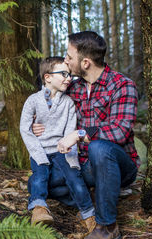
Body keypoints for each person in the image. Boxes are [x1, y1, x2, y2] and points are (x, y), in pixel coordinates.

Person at [33, 31, 140, 239]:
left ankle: (107, 226)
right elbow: (50, 109)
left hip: (119, 164)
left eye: (68, 56)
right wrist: (38, 123)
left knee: (99, 147)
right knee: (46, 184)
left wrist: (79, 133)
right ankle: (97, 196)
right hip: (82, 165)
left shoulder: (122, 85)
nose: (65, 61)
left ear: (85, 62)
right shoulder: (73, 86)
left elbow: (119, 132)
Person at [20, 56, 95, 228]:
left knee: (74, 178)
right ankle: (39, 208)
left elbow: (69, 132)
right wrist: (38, 154)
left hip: (63, 149)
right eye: (63, 74)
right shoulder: (32, 100)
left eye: (69, 74)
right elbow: (25, 129)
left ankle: (88, 214)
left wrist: (70, 154)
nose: (68, 78)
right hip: (40, 149)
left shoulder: (68, 103)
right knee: (40, 176)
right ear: (47, 77)